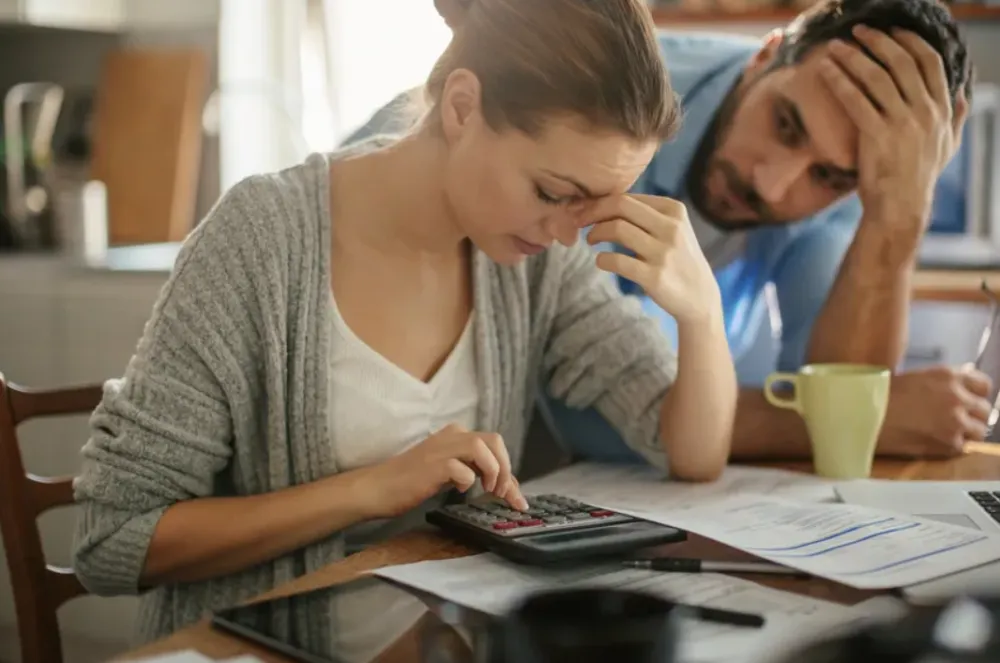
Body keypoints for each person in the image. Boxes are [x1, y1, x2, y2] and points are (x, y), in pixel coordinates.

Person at [71, 0, 736, 657]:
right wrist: (368, 488)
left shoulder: (530, 263)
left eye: (594, 205)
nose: (568, 233)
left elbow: (690, 451)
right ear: (462, 106)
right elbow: (113, 538)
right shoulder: (262, 239)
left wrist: (700, 313)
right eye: (554, 192)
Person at [346, 0, 993, 463]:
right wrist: (867, 423)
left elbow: (838, 421)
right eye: (785, 124)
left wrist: (897, 218)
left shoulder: (856, 178)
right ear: (765, 56)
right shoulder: (614, 115)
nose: (774, 185)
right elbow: (605, 416)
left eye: (828, 177)